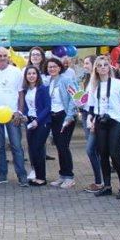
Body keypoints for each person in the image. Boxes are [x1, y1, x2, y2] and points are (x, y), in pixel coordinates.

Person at [86, 55, 120, 198]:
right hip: (101, 121)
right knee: (103, 154)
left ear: (109, 66)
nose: (103, 67)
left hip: (116, 121)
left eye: (105, 65)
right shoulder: (94, 85)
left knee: (114, 153)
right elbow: (91, 107)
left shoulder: (118, 83)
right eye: (99, 65)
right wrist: (89, 120)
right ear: (96, 69)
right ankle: (107, 185)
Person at [0, 47, 28, 186]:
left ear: (8, 57)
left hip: (13, 115)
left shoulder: (16, 72)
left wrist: (19, 112)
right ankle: (2, 174)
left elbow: (21, 94)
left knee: (16, 146)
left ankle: (22, 176)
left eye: (5, 56)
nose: (2, 58)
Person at [46, 57, 78, 189]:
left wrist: (70, 116)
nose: (52, 69)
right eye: (49, 67)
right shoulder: (49, 82)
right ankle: (63, 175)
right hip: (54, 117)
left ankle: (69, 177)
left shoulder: (66, 80)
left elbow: (74, 97)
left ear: (60, 68)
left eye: (54, 66)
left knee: (64, 146)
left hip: (65, 117)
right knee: (59, 146)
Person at [19, 66, 51, 186]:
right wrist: (26, 116)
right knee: (32, 150)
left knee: (38, 149)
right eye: (29, 74)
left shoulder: (42, 89)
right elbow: (27, 107)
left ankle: (42, 178)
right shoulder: (26, 90)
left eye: (34, 73)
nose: (31, 76)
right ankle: (37, 175)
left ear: (37, 75)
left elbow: (47, 107)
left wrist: (38, 120)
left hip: (42, 123)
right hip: (30, 122)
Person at [78, 56, 104, 194]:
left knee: (91, 149)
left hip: (94, 118)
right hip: (86, 114)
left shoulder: (99, 81)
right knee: (94, 149)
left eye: (87, 63)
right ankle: (100, 180)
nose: (85, 65)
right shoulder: (88, 79)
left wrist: (92, 118)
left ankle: (101, 181)